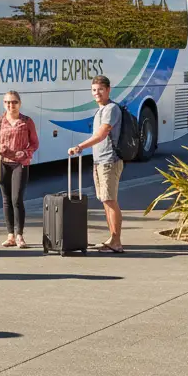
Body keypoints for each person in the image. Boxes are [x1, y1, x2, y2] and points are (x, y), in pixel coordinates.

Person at [69, 75, 124, 253]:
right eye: (94, 90)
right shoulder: (100, 110)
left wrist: (80, 146)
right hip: (99, 161)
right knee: (105, 201)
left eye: (100, 89)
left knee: (110, 200)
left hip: (109, 160)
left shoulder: (111, 109)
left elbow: (101, 135)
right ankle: (112, 238)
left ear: (108, 90)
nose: (97, 93)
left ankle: (116, 241)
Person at [0, 90, 39, 248]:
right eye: (8, 102)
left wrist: (26, 152)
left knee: (17, 200)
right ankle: (10, 235)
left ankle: (19, 235)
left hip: (20, 164)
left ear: (20, 103)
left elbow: (35, 143)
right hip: (3, 163)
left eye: (14, 102)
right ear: (4, 104)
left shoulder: (27, 121)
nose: (11, 105)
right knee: (6, 200)